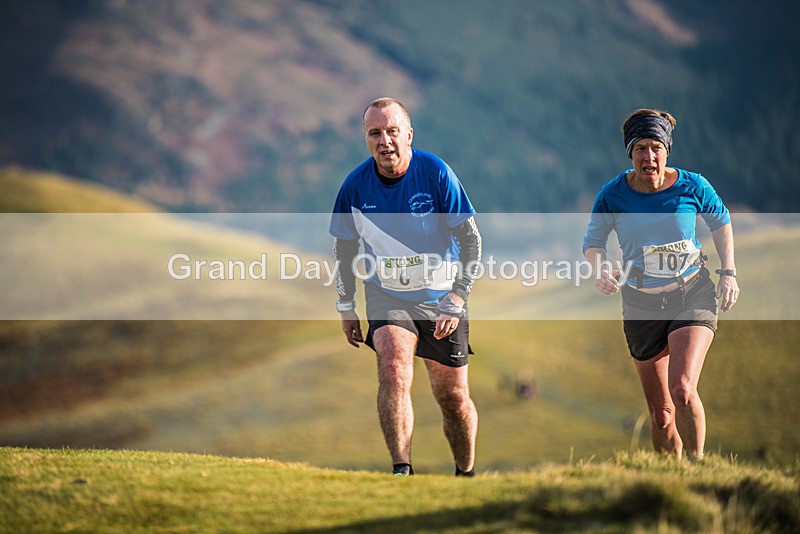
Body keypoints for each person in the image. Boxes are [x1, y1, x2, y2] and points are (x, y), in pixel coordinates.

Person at [329, 97, 482, 476]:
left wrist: (458, 295)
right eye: (375, 133)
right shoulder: (354, 187)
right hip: (387, 294)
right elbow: (344, 248)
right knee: (394, 368)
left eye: (392, 131)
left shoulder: (436, 173)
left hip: (441, 296)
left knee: (453, 398)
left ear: (409, 135)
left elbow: (471, 240)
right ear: (366, 139)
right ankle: (402, 470)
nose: (385, 141)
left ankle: (465, 473)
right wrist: (346, 306)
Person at [583, 108, 740, 461]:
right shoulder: (612, 195)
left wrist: (728, 272)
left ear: (667, 150)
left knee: (682, 389)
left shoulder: (693, 185)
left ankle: (697, 468)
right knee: (662, 414)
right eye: (640, 148)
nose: (649, 156)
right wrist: (600, 268)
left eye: (656, 148)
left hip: (692, 293)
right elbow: (593, 242)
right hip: (641, 304)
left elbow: (721, 222)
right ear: (630, 153)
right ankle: (671, 478)